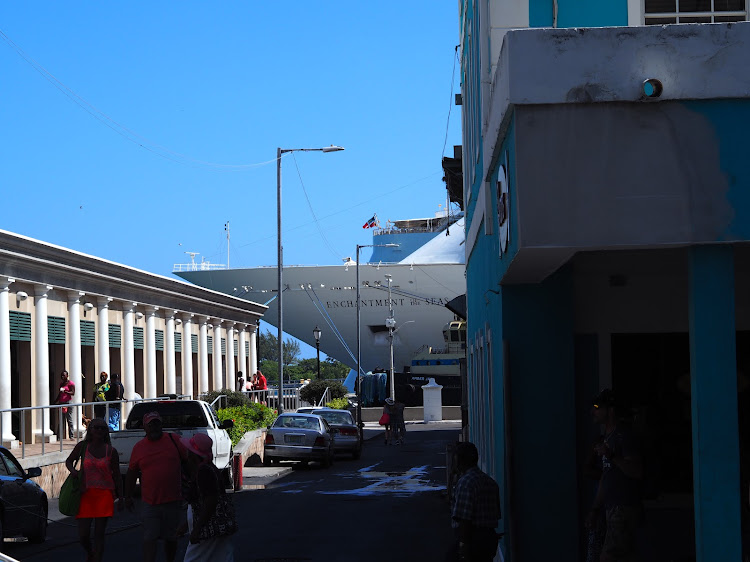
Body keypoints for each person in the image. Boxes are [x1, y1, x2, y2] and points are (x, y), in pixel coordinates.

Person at [586, 389, 643, 562]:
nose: (592, 411)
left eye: (597, 407)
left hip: (623, 508)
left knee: (607, 558)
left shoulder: (623, 436)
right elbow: (606, 477)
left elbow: (637, 470)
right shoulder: (607, 439)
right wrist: (595, 510)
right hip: (612, 509)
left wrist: (611, 455)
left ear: (610, 410)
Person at [125, 411, 188, 562]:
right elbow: (132, 472)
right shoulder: (139, 447)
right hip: (150, 502)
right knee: (149, 537)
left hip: (173, 499)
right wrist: (127, 496)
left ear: (161, 425)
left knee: (171, 538)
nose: (154, 427)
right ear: (145, 428)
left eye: (157, 424)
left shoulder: (174, 440)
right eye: (150, 425)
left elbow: (189, 461)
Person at [65, 417, 124, 562]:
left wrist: (122, 497)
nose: (99, 430)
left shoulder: (111, 451)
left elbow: (117, 475)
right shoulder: (82, 447)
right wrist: (74, 472)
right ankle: (91, 553)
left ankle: (97, 558)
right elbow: (69, 461)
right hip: (85, 493)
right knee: (83, 535)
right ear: (90, 430)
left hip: (104, 495)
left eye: (102, 428)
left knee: (99, 533)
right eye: (96, 427)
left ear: (106, 432)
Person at [181, 434, 235, 561]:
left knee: (193, 558)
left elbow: (210, 501)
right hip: (216, 525)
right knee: (221, 556)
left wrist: (198, 528)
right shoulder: (210, 468)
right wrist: (186, 526)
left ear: (194, 454)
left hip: (207, 527)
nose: (187, 453)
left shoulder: (203, 472)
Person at [451, 442, 501, 562]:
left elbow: (464, 519)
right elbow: (496, 514)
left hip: (473, 540)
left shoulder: (466, 483)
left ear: (460, 461)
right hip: (489, 539)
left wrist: (463, 546)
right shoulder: (491, 482)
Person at [55, 370, 76, 439]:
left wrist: (65, 391)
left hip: (68, 402)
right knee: (61, 419)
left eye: (64, 375)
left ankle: (71, 435)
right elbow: (60, 394)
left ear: (67, 376)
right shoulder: (61, 384)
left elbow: (73, 393)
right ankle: (59, 436)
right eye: (61, 375)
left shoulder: (71, 384)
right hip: (61, 403)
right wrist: (55, 401)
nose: (62, 377)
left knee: (69, 419)